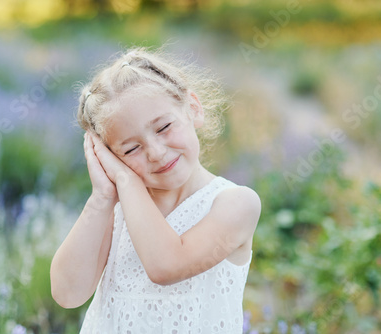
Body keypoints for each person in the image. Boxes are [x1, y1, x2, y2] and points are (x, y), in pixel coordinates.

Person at [50, 46, 261, 334]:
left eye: (163, 127)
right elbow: (67, 293)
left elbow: (166, 265)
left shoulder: (236, 204)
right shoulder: (114, 211)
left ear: (193, 109)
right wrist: (102, 199)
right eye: (132, 148)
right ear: (109, 157)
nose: (157, 153)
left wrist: (125, 180)